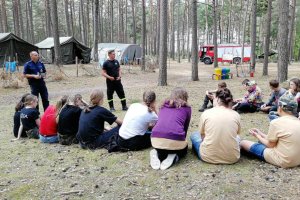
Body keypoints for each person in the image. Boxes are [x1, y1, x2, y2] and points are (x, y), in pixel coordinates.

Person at [240, 95, 300, 168]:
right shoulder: (297, 121)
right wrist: (261, 133)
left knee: (243, 143)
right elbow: (280, 138)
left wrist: (257, 136)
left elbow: (270, 145)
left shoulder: (276, 122)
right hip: (297, 160)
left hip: (283, 161)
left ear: (280, 108)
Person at [190, 88, 241, 164]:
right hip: (232, 158)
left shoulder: (206, 113)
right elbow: (237, 134)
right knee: (238, 138)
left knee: (194, 135)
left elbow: (202, 136)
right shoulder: (236, 115)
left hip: (207, 156)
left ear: (217, 99)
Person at [150, 87, 191, 170]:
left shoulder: (162, 106)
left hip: (155, 137)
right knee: (184, 148)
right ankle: (174, 155)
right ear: (185, 97)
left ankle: (157, 153)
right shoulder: (187, 108)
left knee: (161, 148)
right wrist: (182, 140)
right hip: (175, 137)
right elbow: (185, 127)